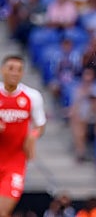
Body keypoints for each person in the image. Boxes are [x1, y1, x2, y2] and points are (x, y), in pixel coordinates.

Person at [0, 55, 46, 217]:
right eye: (11, 68)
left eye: (19, 69)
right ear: (2, 70)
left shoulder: (31, 96)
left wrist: (33, 135)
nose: (15, 73)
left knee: (3, 211)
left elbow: (40, 124)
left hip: (15, 162)